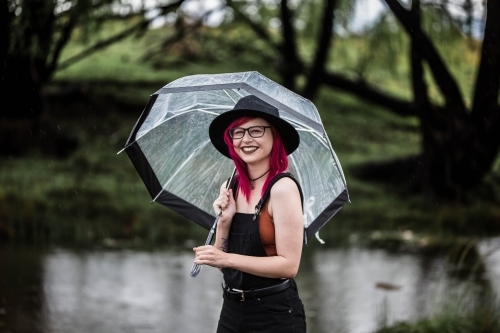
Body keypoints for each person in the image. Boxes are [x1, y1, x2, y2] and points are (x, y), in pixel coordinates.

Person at [193, 95, 306, 333]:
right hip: (232, 311)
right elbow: (226, 266)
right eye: (238, 132)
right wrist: (224, 221)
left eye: (256, 131)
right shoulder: (231, 184)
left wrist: (225, 259)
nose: (245, 139)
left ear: (275, 136)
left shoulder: (282, 188)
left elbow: (288, 266)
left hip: (274, 315)